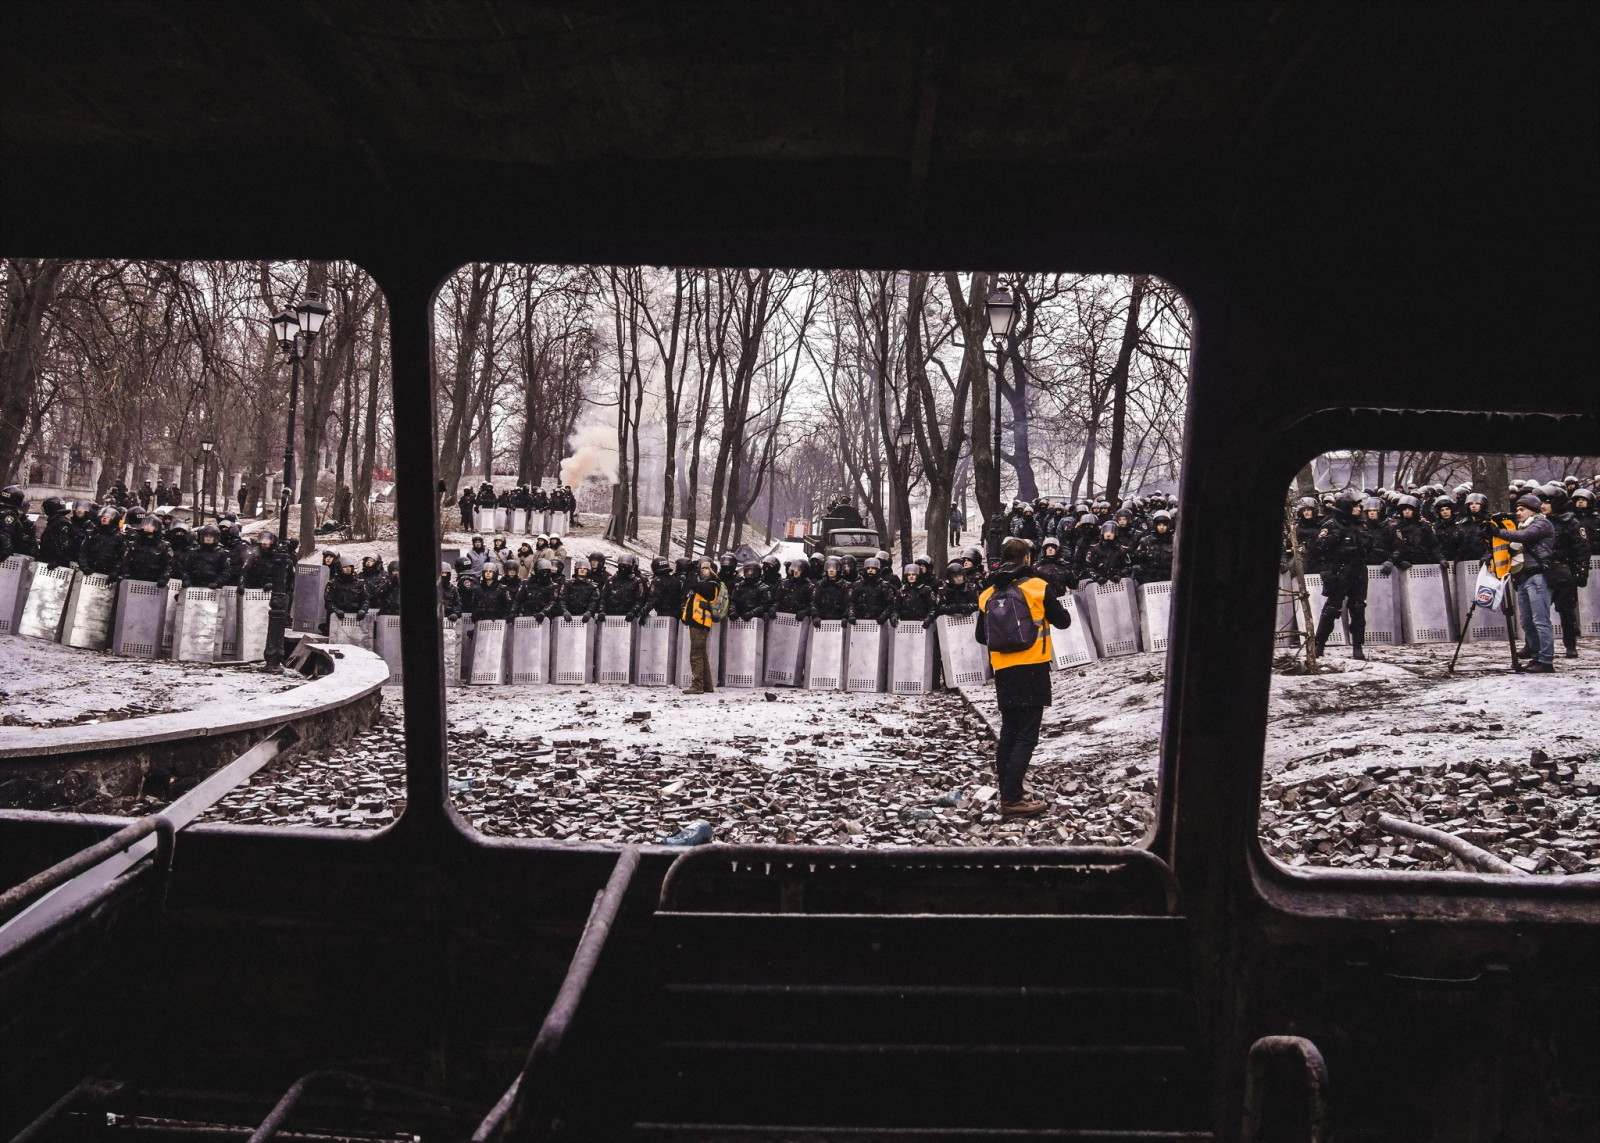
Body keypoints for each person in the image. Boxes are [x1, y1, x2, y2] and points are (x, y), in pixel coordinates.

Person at [975, 536, 1073, 819]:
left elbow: (981, 636)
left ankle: (1007, 792)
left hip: (1003, 669)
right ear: (1027, 559)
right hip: (1032, 667)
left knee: (1008, 732)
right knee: (1027, 735)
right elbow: (1063, 621)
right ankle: (1013, 799)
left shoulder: (987, 593)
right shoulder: (1038, 587)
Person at [1485, 494, 1558, 672]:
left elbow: (1524, 536)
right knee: (1527, 621)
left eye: (1522, 509)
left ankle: (1546, 660)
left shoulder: (1541, 523)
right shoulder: (1523, 526)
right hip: (1524, 577)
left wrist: (1498, 531)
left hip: (1538, 576)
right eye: (1517, 509)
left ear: (1533, 510)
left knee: (1540, 620)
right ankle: (1535, 656)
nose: (1518, 513)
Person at [1311, 493, 1374, 660]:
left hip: (1358, 571)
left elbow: (1370, 547)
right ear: (1346, 507)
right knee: (1331, 608)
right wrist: (1327, 571)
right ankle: (1319, 645)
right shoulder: (1331, 525)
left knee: (1358, 608)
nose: (1359, 509)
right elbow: (1318, 549)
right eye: (1355, 506)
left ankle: (1358, 646)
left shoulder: (1361, 525)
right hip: (1339, 571)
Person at [1538, 486, 1590, 660]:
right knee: (1537, 609)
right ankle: (1533, 645)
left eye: (1547, 501)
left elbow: (1582, 549)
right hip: (1540, 570)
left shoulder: (1571, 523)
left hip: (1562, 570)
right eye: (1541, 501)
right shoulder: (1538, 522)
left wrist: (1581, 573)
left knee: (1566, 610)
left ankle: (1570, 645)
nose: (1543, 505)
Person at [242, 530, 296, 671]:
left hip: (273, 595)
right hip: (255, 595)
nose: (265, 543)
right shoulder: (255, 557)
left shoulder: (281, 558)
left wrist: (274, 584)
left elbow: (289, 579)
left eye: (268, 540)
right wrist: (242, 584)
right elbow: (246, 572)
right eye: (263, 540)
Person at [680, 558, 723, 694]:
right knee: (701, 654)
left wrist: (691, 572)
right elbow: (689, 586)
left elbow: (693, 584)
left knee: (696, 655)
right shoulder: (705, 584)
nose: (702, 571)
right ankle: (707, 685)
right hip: (697, 622)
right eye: (702, 568)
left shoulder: (711, 585)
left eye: (705, 568)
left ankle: (697, 685)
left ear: (712, 571)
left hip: (700, 623)